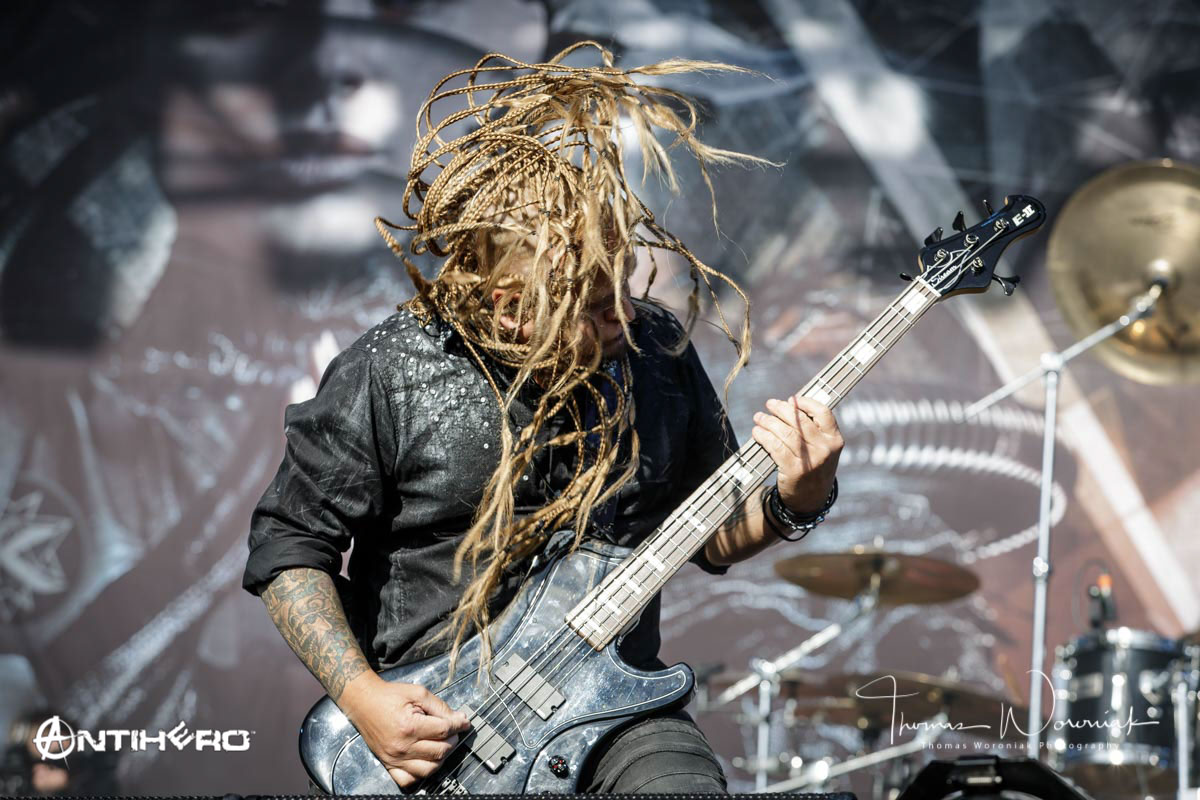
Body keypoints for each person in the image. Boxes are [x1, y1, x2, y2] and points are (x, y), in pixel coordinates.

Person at [241, 42, 843, 794]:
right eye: (597, 308)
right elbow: (289, 547)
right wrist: (364, 698)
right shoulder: (390, 369)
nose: (627, 316)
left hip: (616, 716)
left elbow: (712, 534)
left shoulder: (654, 351)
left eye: (625, 288)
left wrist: (799, 497)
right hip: (438, 728)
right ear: (512, 308)